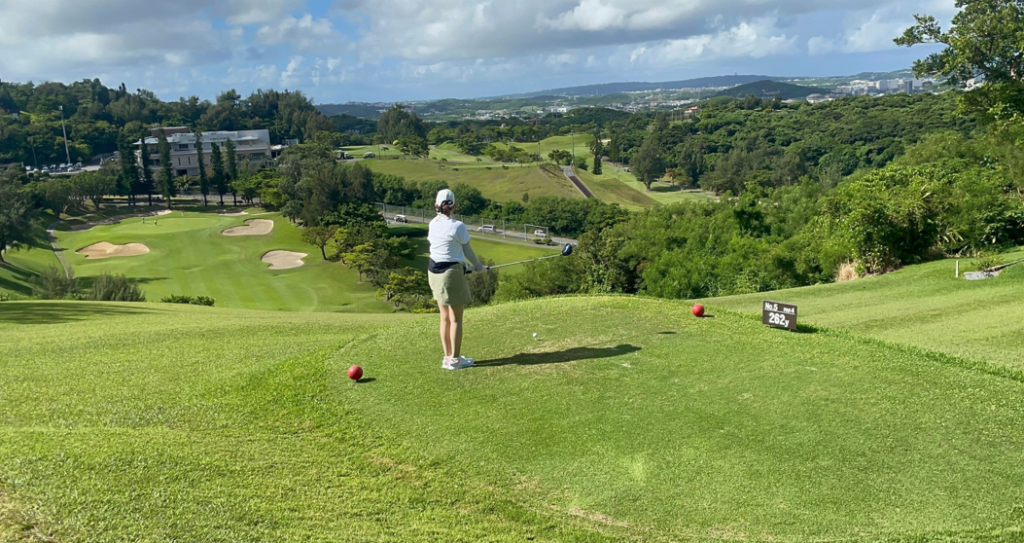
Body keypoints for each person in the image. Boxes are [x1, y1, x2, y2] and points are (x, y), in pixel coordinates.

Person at [428, 189, 485, 370]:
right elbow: (468, 251)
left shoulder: (432, 223)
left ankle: (448, 357)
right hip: (451, 274)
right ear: (453, 205)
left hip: (433, 272)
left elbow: (447, 250)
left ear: (437, 205)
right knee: (456, 319)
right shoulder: (458, 226)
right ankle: (455, 360)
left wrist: (465, 266)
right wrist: (479, 266)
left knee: (444, 317)